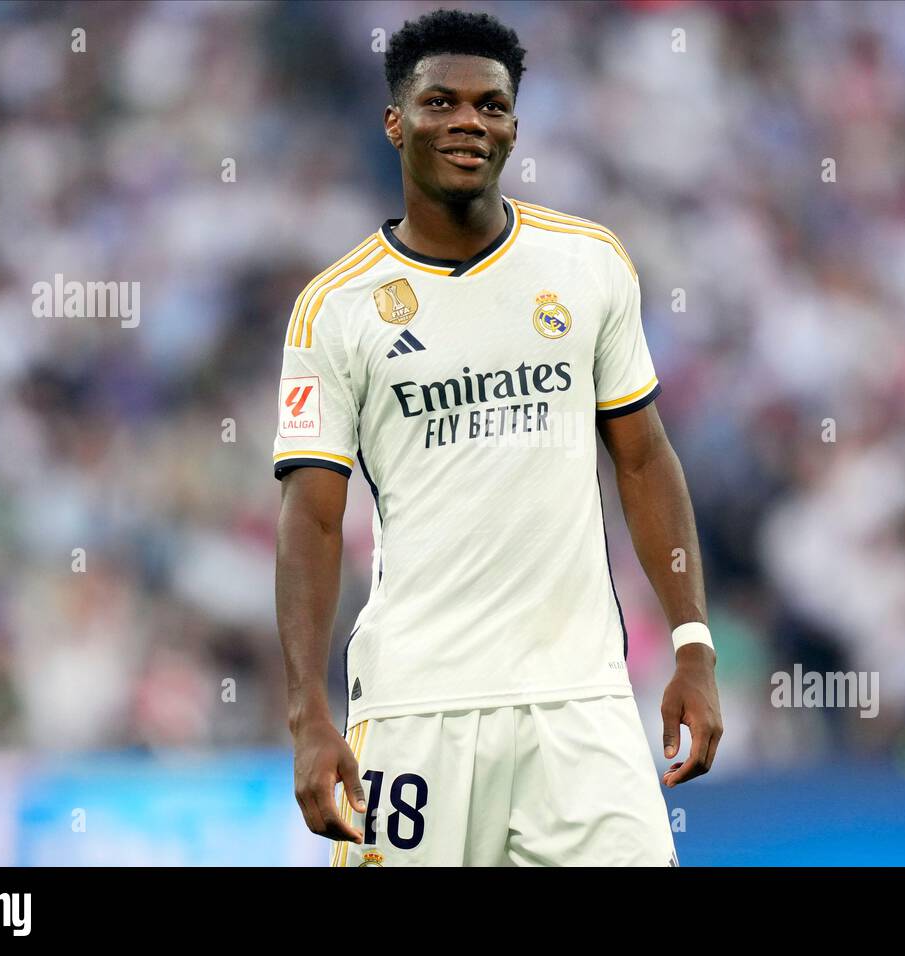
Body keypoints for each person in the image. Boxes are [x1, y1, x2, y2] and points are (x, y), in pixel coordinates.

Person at [273, 8, 721, 867]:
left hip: (579, 702)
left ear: (515, 125)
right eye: (441, 102)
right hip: (415, 707)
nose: (469, 121)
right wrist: (308, 715)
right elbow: (313, 519)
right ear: (394, 121)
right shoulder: (336, 308)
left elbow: (643, 456)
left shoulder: (588, 264)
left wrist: (692, 646)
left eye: (493, 105)